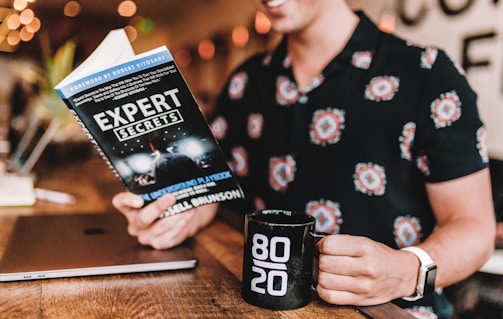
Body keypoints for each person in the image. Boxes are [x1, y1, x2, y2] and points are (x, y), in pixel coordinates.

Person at [112, 0, 496, 317]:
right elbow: (220, 189)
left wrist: (407, 270)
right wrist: (181, 214)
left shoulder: (427, 74)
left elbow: (474, 228)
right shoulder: (245, 82)